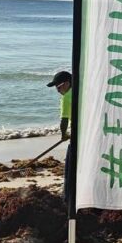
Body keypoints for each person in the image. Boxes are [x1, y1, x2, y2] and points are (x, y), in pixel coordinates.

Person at [46, 70, 73, 204]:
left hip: (77, 138)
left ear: (67, 83)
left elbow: (64, 120)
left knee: (69, 168)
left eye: (59, 86)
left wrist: (64, 134)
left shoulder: (67, 98)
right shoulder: (82, 92)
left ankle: (68, 198)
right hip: (87, 135)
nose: (57, 90)